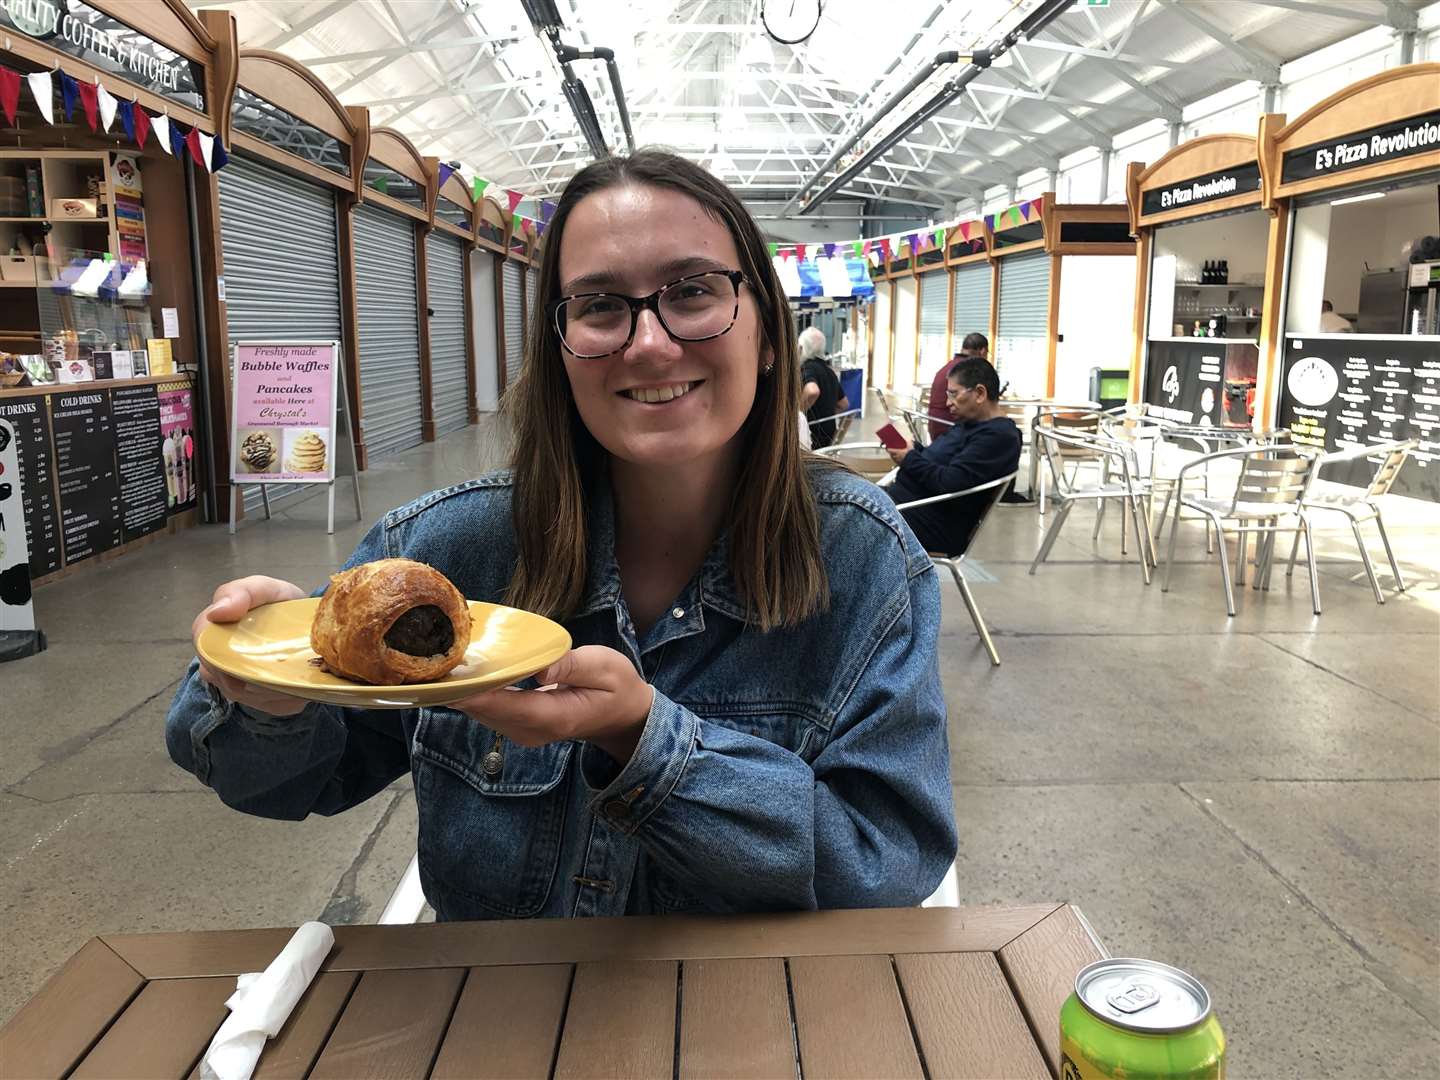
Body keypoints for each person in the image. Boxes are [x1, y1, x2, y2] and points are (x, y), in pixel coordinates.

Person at [166, 149, 956, 921]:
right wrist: (263, 695)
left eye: (693, 292)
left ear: (770, 334)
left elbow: (886, 863)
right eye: (601, 306)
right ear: (560, 350)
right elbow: (292, 780)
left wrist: (645, 738)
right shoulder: (449, 548)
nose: (649, 342)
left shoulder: (860, 560)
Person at [884, 356, 1022, 555]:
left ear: (980, 393)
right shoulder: (969, 424)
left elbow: (950, 481)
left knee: (844, 514)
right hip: (909, 506)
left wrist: (909, 459)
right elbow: (940, 461)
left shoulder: (998, 438)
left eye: (953, 394)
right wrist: (914, 450)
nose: (948, 403)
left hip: (932, 524)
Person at [928, 333, 987, 441]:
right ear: (982, 351)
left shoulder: (949, 365)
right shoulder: (968, 369)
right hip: (950, 426)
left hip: (934, 423)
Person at [798, 325, 848, 449]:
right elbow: (844, 404)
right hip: (829, 438)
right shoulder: (829, 372)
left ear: (802, 348)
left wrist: (797, 413)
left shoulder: (807, 368)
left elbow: (812, 391)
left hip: (811, 438)